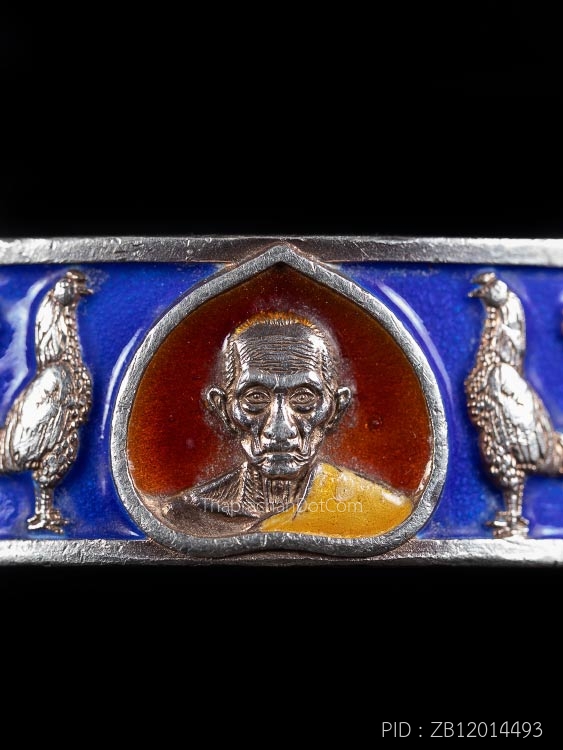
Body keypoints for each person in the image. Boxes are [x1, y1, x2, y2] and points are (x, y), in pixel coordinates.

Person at [163, 313, 412, 537]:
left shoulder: (382, 512)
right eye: (255, 398)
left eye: (304, 398)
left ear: (336, 409)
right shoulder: (188, 512)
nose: (280, 430)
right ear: (223, 409)